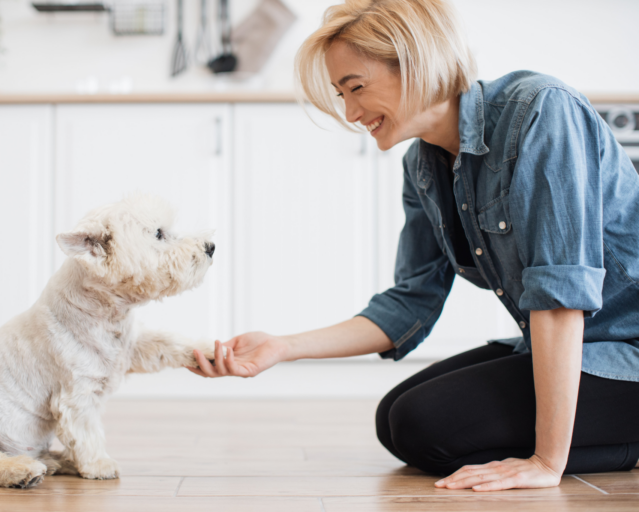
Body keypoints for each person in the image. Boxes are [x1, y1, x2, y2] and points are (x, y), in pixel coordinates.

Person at [188, 0, 639, 491]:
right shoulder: (422, 167)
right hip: (579, 349)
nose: (351, 112)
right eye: (341, 94)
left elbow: (559, 294)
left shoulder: (540, 111)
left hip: (624, 351)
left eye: (356, 88)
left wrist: (546, 463)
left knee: (427, 424)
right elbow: (411, 303)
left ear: (418, 61)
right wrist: (282, 347)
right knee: (397, 419)